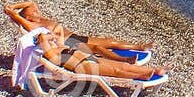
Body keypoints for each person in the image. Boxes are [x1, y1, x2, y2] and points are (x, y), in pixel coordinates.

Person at [4, 1, 154, 63]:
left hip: (74, 37)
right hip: (66, 43)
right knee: (97, 49)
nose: (37, 10)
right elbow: (16, 16)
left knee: (109, 42)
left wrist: (14, 5)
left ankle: (139, 47)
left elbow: (31, 2)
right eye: (34, 12)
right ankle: (125, 61)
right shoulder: (31, 25)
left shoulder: (40, 18)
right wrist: (11, 12)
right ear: (28, 17)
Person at [35, 26, 166, 84]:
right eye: (49, 40)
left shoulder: (59, 46)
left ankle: (153, 70)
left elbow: (58, 29)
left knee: (124, 64)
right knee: (116, 71)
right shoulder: (51, 53)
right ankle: (141, 76)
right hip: (81, 65)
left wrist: (52, 36)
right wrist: (47, 36)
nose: (52, 40)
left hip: (87, 58)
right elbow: (43, 38)